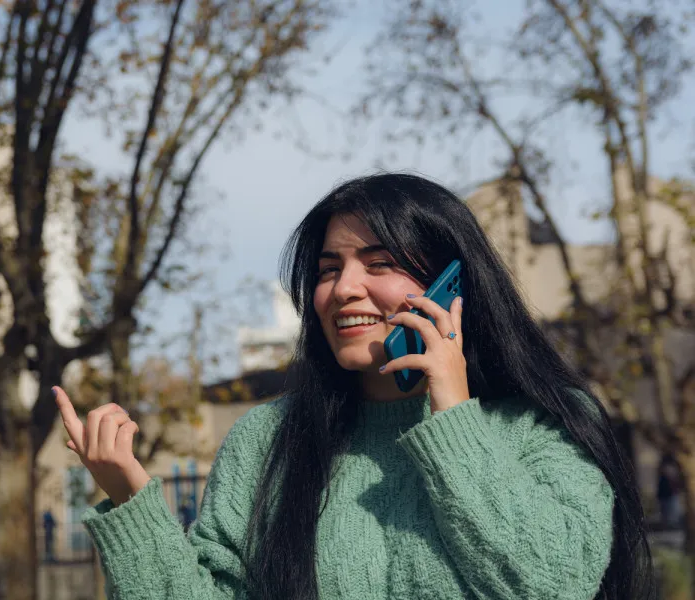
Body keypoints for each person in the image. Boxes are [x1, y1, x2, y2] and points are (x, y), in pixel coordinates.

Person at [53, 173, 656, 599]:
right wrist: (130, 499)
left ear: (453, 283)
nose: (343, 289)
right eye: (328, 269)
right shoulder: (266, 440)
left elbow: (551, 584)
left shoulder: (545, 421)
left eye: (379, 263)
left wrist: (452, 414)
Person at [657, 453, 683, 529]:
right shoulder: (664, 470)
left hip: (670, 493)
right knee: (667, 511)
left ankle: (670, 524)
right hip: (666, 493)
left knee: (671, 511)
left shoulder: (671, 469)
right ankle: (668, 525)